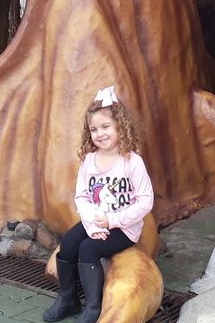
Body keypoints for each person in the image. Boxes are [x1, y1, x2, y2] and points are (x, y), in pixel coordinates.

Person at [44, 86, 154, 323]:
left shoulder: (131, 162)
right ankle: (68, 299)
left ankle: (93, 307)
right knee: (70, 243)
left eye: (106, 127)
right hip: (95, 220)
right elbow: (82, 197)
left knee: (88, 249)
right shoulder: (90, 161)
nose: (100, 134)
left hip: (124, 227)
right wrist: (92, 223)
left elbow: (146, 201)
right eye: (94, 129)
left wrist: (112, 221)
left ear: (120, 127)